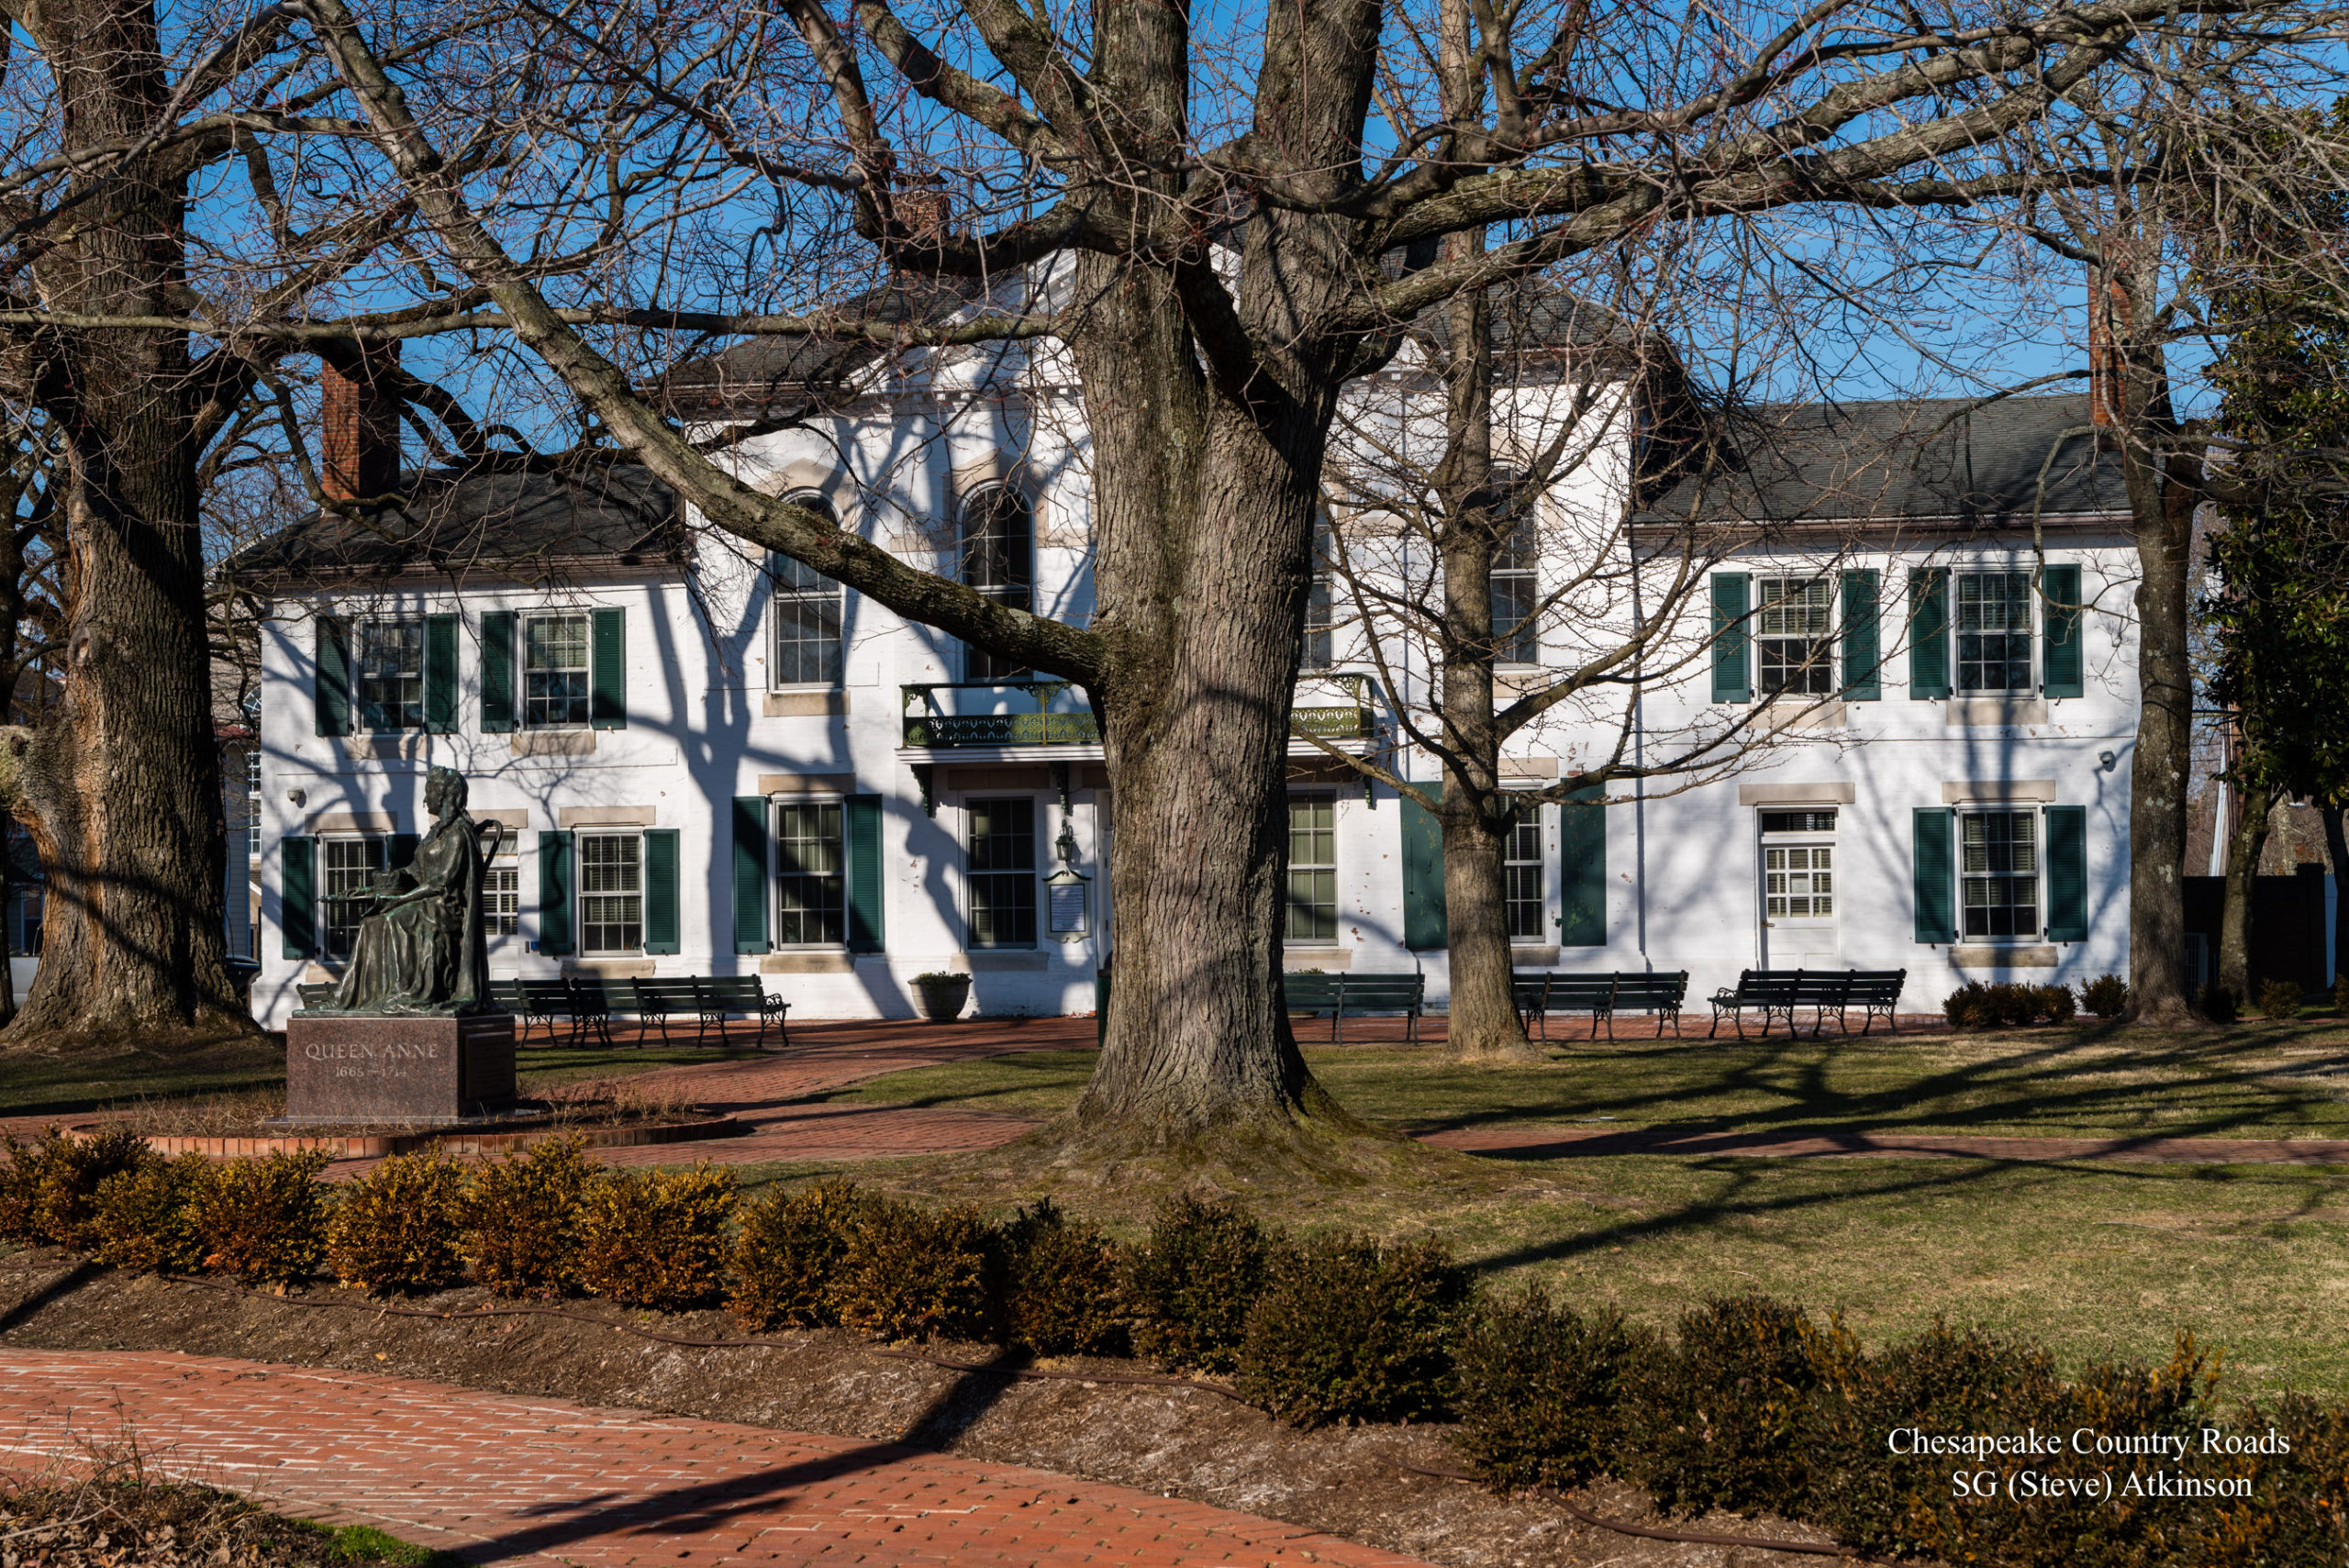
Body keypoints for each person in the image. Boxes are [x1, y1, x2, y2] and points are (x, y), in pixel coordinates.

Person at [328, 765, 496, 1012]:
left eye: (428, 791)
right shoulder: (434, 834)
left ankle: (410, 991)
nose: (425, 798)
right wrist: (371, 890)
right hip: (423, 904)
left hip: (445, 910)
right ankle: (350, 999)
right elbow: (413, 872)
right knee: (371, 923)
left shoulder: (459, 835)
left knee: (396, 919)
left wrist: (399, 900)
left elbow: (442, 882)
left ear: (443, 795)